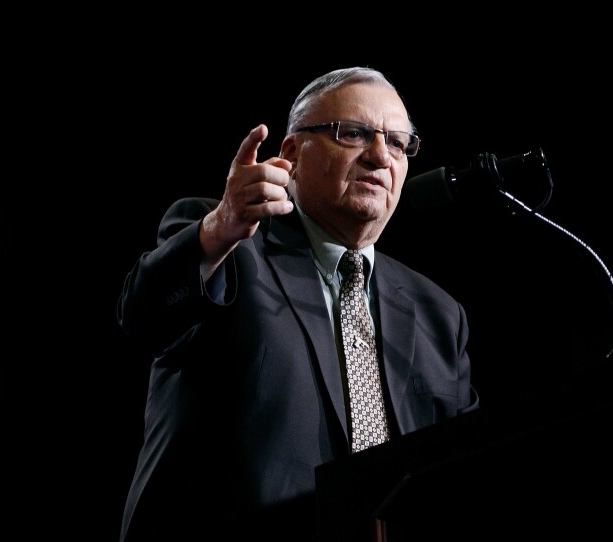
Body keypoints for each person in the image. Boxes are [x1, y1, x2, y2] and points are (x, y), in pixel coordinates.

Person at [116, 66, 480, 541]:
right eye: (353, 134)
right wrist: (220, 226)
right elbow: (144, 318)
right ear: (291, 153)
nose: (379, 157)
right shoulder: (229, 248)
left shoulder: (438, 314)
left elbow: (461, 469)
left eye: (397, 143)